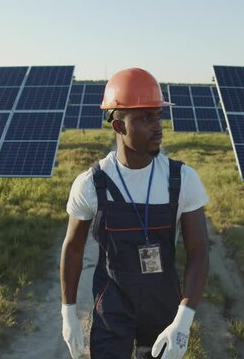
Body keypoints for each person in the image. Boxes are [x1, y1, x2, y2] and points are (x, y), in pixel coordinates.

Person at [60, 68, 210, 359]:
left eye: (158, 115)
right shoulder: (91, 185)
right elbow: (73, 249)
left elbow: (199, 250)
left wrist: (184, 320)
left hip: (163, 304)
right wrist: (67, 312)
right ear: (118, 126)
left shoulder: (182, 180)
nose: (158, 127)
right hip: (111, 303)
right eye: (145, 118)